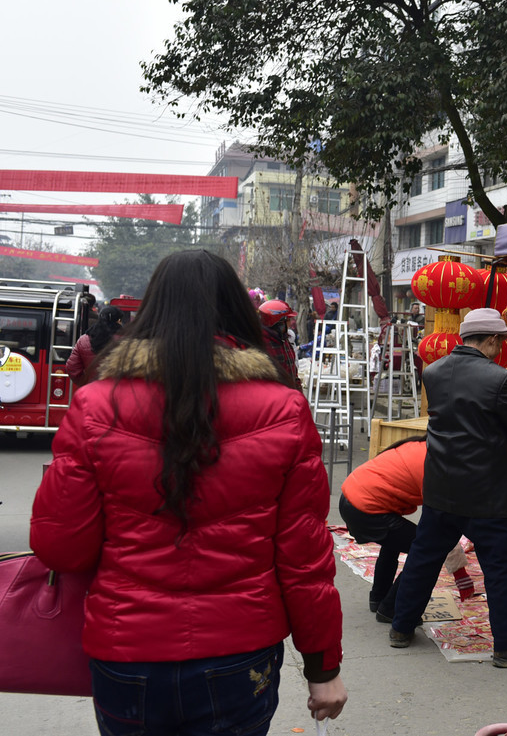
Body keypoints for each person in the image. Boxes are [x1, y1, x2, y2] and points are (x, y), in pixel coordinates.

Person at [30, 250, 347, 734]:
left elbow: (61, 546)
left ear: (152, 309)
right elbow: (304, 559)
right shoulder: (284, 409)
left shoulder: (95, 404)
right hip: (241, 653)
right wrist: (323, 669)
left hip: (126, 649)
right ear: (238, 312)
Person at [385, 307, 507, 668]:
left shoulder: (434, 371)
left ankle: (401, 626)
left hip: (442, 485)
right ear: (491, 341)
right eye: (500, 341)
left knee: (424, 558)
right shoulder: (500, 379)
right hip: (486, 492)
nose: (501, 347)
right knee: (501, 568)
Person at [338, 435, 474, 618]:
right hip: (365, 507)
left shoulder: (424, 445)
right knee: (427, 552)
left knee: (393, 542)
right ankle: (390, 609)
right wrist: (461, 573)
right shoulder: (437, 465)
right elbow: (441, 525)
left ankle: (379, 597)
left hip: (351, 498)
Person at [65, 305, 124, 385]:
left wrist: (85, 383)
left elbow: (72, 368)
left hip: (92, 389)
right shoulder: (127, 340)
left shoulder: (84, 340)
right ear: (118, 321)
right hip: (117, 390)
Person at [259, 298, 300, 387]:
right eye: (288, 320)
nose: (290, 323)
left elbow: (293, 370)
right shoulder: (262, 345)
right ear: (279, 323)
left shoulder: (285, 339)